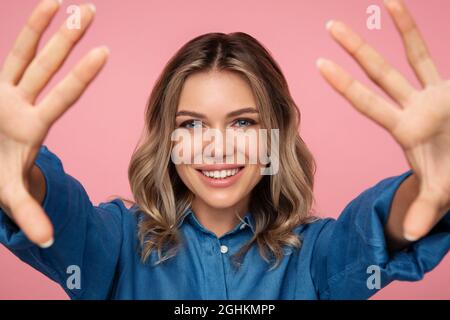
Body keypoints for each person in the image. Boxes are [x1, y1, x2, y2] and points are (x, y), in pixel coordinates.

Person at [0, 0, 449, 299]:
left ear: (277, 134)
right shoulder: (116, 243)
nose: (217, 147)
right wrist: (19, 172)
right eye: (191, 124)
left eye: (244, 122)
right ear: (167, 140)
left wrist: (430, 181)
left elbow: (374, 229)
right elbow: (62, 214)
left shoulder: (316, 256)